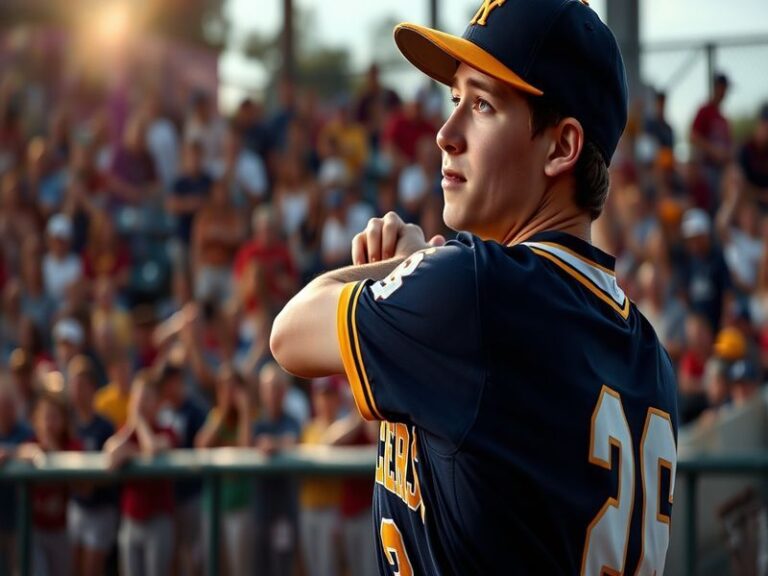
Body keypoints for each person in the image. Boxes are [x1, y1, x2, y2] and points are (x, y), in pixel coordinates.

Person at [270, 1, 679, 574]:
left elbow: (288, 333)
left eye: (483, 105)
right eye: (455, 99)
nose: (445, 134)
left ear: (561, 147)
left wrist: (406, 267)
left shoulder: (473, 289)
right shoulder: (651, 352)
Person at [105, 370, 177, 576]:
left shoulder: (167, 431)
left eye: (146, 399)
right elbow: (111, 456)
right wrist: (131, 425)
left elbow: (153, 449)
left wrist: (140, 424)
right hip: (130, 521)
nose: (140, 405)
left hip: (158, 520)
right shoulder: (127, 433)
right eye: (137, 399)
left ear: (157, 403)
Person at [66, 356, 118, 576]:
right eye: (74, 385)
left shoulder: (104, 426)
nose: (77, 392)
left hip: (100, 509)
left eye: (82, 386)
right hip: (76, 507)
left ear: (93, 388)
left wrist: (90, 483)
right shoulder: (68, 424)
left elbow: (111, 469)